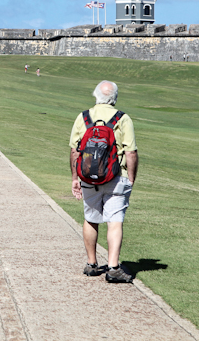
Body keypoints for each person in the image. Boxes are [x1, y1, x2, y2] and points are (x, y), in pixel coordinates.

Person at [69, 80, 138, 284]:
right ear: (114, 98)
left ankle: (91, 264)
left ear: (96, 95)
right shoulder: (122, 119)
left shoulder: (83, 117)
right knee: (114, 221)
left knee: (91, 217)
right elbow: (131, 152)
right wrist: (130, 178)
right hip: (117, 177)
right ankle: (113, 267)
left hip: (89, 175)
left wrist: (75, 178)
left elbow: (75, 151)